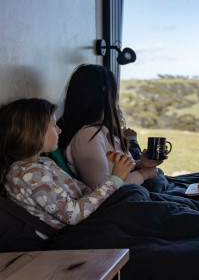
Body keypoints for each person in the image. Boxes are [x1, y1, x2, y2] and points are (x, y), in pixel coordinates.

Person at [0, 98, 134, 229]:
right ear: (34, 132)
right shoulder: (27, 174)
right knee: (136, 201)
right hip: (69, 236)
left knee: (133, 193)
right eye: (53, 125)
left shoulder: (45, 163)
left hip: (87, 219)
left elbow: (83, 191)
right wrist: (115, 180)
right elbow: (72, 215)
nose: (59, 130)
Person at [57, 64, 163, 189]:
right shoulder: (87, 135)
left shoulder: (101, 130)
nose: (117, 95)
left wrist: (140, 164)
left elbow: (116, 171)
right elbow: (100, 190)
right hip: (118, 205)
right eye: (114, 89)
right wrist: (142, 174)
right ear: (104, 92)